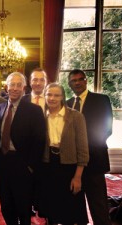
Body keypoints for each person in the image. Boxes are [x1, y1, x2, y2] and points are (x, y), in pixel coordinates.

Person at [0, 72, 46, 225]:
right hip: (3, 163)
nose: (15, 88)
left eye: (19, 85)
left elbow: (40, 140)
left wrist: (30, 166)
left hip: (22, 164)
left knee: (23, 207)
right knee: (6, 205)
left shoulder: (34, 110)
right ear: (6, 87)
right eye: (12, 84)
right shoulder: (1, 107)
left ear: (24, 88)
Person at [67, 69, 113, 225]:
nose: (78, 82)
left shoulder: (101, 100)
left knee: (99, 208)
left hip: (95, 162)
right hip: (72, 166)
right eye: (74, 80)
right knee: (76, 211)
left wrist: (83, 151)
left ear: (86, 81)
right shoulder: (67, 104)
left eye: (81, 79)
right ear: (69, 83)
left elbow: (106, 129)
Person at [39, 83, 89, 225]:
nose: (52, 98)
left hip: (69, 167)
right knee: (51, 209)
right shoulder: (41, 116)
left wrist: (78, 177)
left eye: (56, 95)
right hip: (48, 165)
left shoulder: (76, 117)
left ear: (62, 97)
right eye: (49, 94)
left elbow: (83, 150)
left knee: (69, 212)